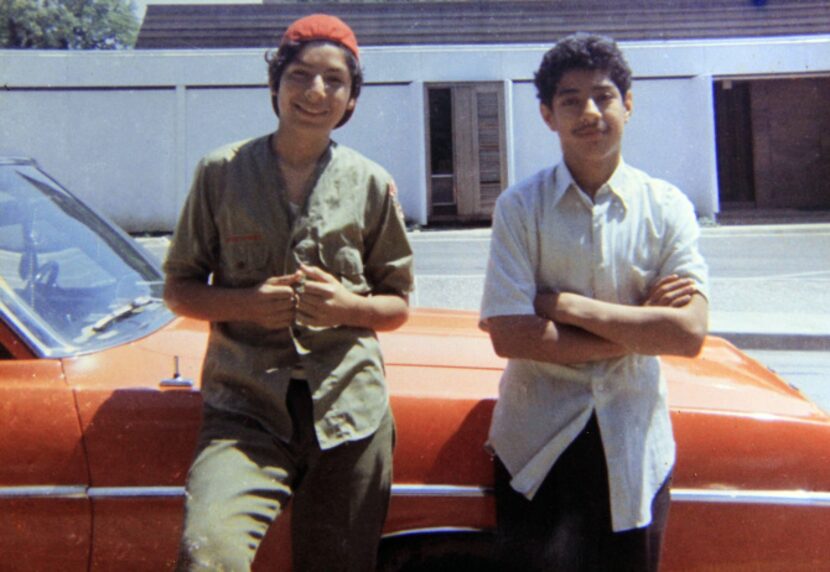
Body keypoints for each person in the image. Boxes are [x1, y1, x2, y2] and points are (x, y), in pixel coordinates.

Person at [163, 14, 413, 572]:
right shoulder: (220, 173)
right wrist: (246, 303)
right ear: (274, 83)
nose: (316, 92)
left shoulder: (371, 182)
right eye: (300, 75)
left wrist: (350, 308)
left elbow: (396, 303)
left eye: (334, 81)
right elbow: (179, 288)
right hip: (245, 406)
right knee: (208, 556)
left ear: (351, 99)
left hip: (350, 410)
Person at [479, 33, 709, 571]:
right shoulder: (520, 208)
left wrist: (565, 307)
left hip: (633, 447)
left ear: (628, 104)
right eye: (570, 99)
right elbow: (510, 335)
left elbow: (689, 335)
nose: (589, 112)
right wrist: (639, 328)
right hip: (535, 448)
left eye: (603, 96)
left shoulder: (668, 207)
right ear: (546, 114)